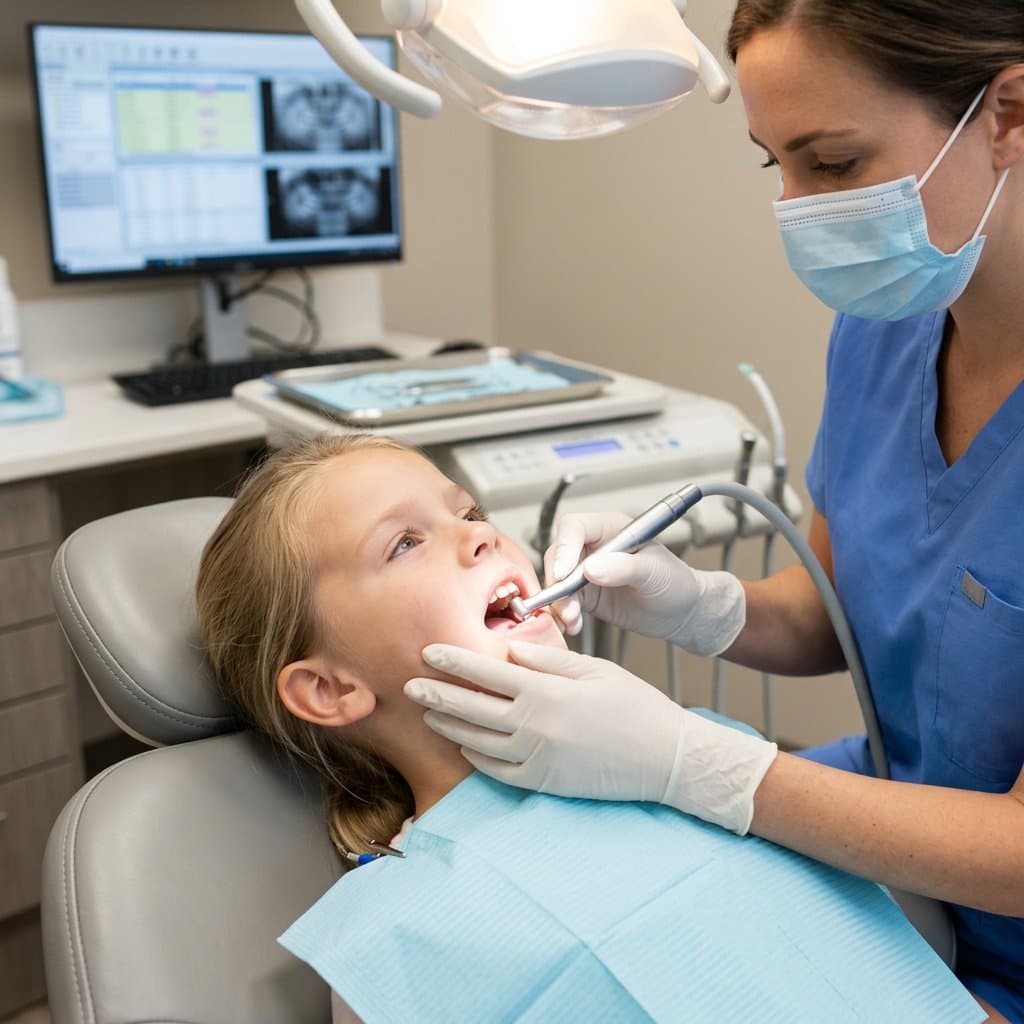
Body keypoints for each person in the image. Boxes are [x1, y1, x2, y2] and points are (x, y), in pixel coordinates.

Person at [400, 3, 1024, 1021]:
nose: (795, 205)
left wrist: (698, 764)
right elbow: (841, 608)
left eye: (828, 161)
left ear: (1008, 110)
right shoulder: (884, 334)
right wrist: (704, 606)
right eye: (769, 163)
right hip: (896, 886)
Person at [195, 433, 990, 1023]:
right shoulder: (394, 939)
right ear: (329, 689)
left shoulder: (683, 746)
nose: (480, 534)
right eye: (405, 543)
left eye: (467, 510)